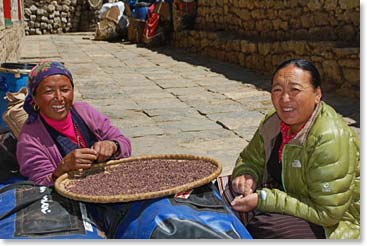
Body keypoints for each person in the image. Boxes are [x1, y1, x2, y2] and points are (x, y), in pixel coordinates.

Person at [230, 59, 359, 239]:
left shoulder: (329, 137)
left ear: (317, 94)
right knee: (223, 191)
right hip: (290, 196)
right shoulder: (273, 122)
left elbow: (328, 213)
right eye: (277, 90)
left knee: (265, 227)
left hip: (335, 223)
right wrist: (246, 174)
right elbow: (250, 158)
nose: (284, 99)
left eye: (295, 90)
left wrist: (265, 200)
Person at [16, 61, 132, 186]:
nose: (59, 98)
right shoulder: (30, 139)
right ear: (35, 98)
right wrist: (62, 169)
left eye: (65, 90)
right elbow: (39, 183)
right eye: (49, 92)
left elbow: (124, 143)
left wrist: (113, 145)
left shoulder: (84, 111)